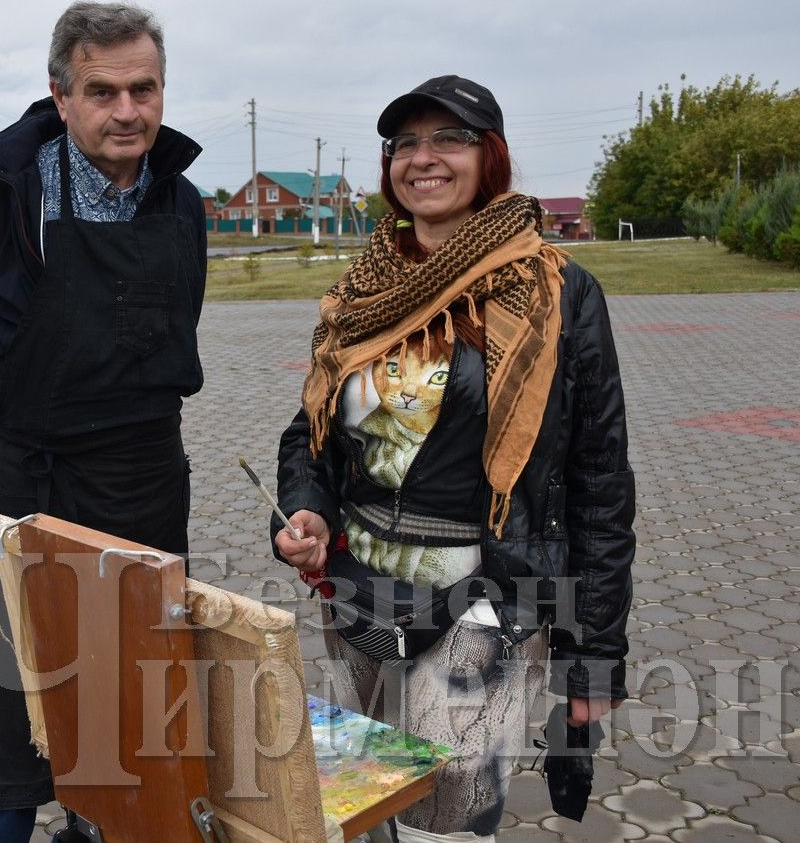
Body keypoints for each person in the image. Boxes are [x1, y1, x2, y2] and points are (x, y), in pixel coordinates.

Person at [271, 76, 634, 842]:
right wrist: (306, 505)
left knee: (446, 806)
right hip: (358, 593)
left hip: (485, 600)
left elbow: (601, 480)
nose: (422, 158)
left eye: (449, 138)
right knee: (357, 799)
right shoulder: (360, 292)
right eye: (404, 142)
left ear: (489, 157)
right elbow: (310, 433)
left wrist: (593, 655)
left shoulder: (558, 292)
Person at [0, 1, 206, 843]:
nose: (127, 111)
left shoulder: (181, 203)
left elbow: (181, 322)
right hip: (22, 481)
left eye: (143, 89)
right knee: (13, 694)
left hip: (143, 481)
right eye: (102, 90)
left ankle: (99, 828)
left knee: (128, 690)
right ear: (60, 95)